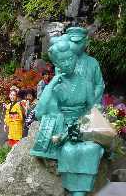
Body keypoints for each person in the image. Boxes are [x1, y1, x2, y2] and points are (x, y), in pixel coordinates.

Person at [30, 37, 104, 195]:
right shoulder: (56, 86)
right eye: (62, 61)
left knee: (93, 148)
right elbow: (39, 113)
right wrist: (51, 84)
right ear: (56, 64)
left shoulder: (86, 83)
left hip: (83, 126)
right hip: (62, 126)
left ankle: (81, 191)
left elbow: (92, 109)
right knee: (69, 151)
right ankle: (72, 189)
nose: (68, 63)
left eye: (70, 58)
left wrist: (84, 123)